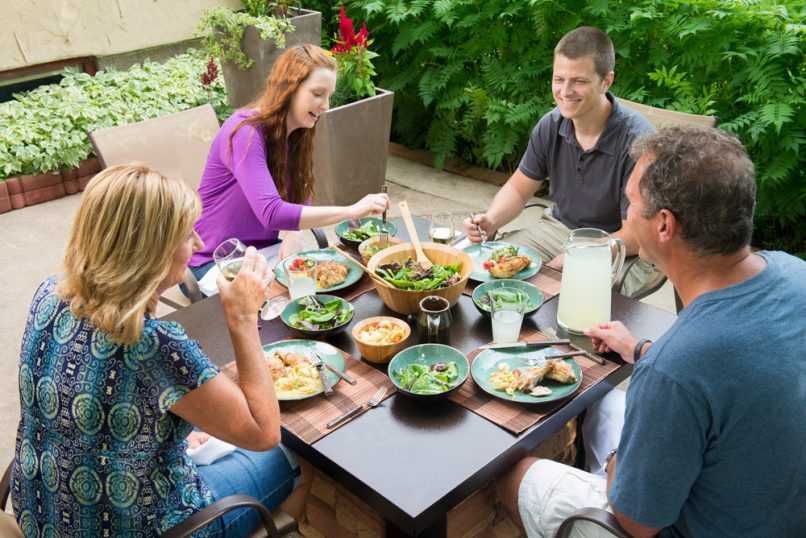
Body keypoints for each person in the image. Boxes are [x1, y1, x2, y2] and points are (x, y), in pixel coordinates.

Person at [496, 125, 806, 537]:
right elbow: (735, 367)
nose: (624, 216)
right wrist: (641, 348)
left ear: (664, 225)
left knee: (508, 472)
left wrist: (613, 462)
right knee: (602, 396)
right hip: (773, 502)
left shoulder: (676, 367)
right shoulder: (794, 272)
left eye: (630, 203)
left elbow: (636, 523)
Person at [12, 164, 300, 537]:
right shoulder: (153, 344)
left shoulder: (49, 293)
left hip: (41, 514)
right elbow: (264, 433)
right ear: (150, 251)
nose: (198, 244)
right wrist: (244, 318)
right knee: (291, 458)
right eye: (186, 235)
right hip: (144, 529)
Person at [463, 26, 658, 298]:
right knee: (483, 275)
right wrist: (490, 220)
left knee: (559, 297)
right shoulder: (551, 124)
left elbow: (640, 235)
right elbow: (519, 189)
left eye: (579, 81)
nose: (565, 91)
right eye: (558, 79)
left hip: (620, 247)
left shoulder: (637, 142)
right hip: (559, 230)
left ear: (607, 81)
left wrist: (582, 254)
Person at [190, 43, 389, 280]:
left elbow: (301, 191)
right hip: (217, 263)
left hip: (263, 255)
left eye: (329, 96)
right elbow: (272, 213)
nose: (326, 106)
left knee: (342, 278)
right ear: (289, 88)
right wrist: (351, 211)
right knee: (307, 297)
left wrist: (294, 235)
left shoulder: (295, 132)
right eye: (317, 94)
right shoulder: (246, 131)